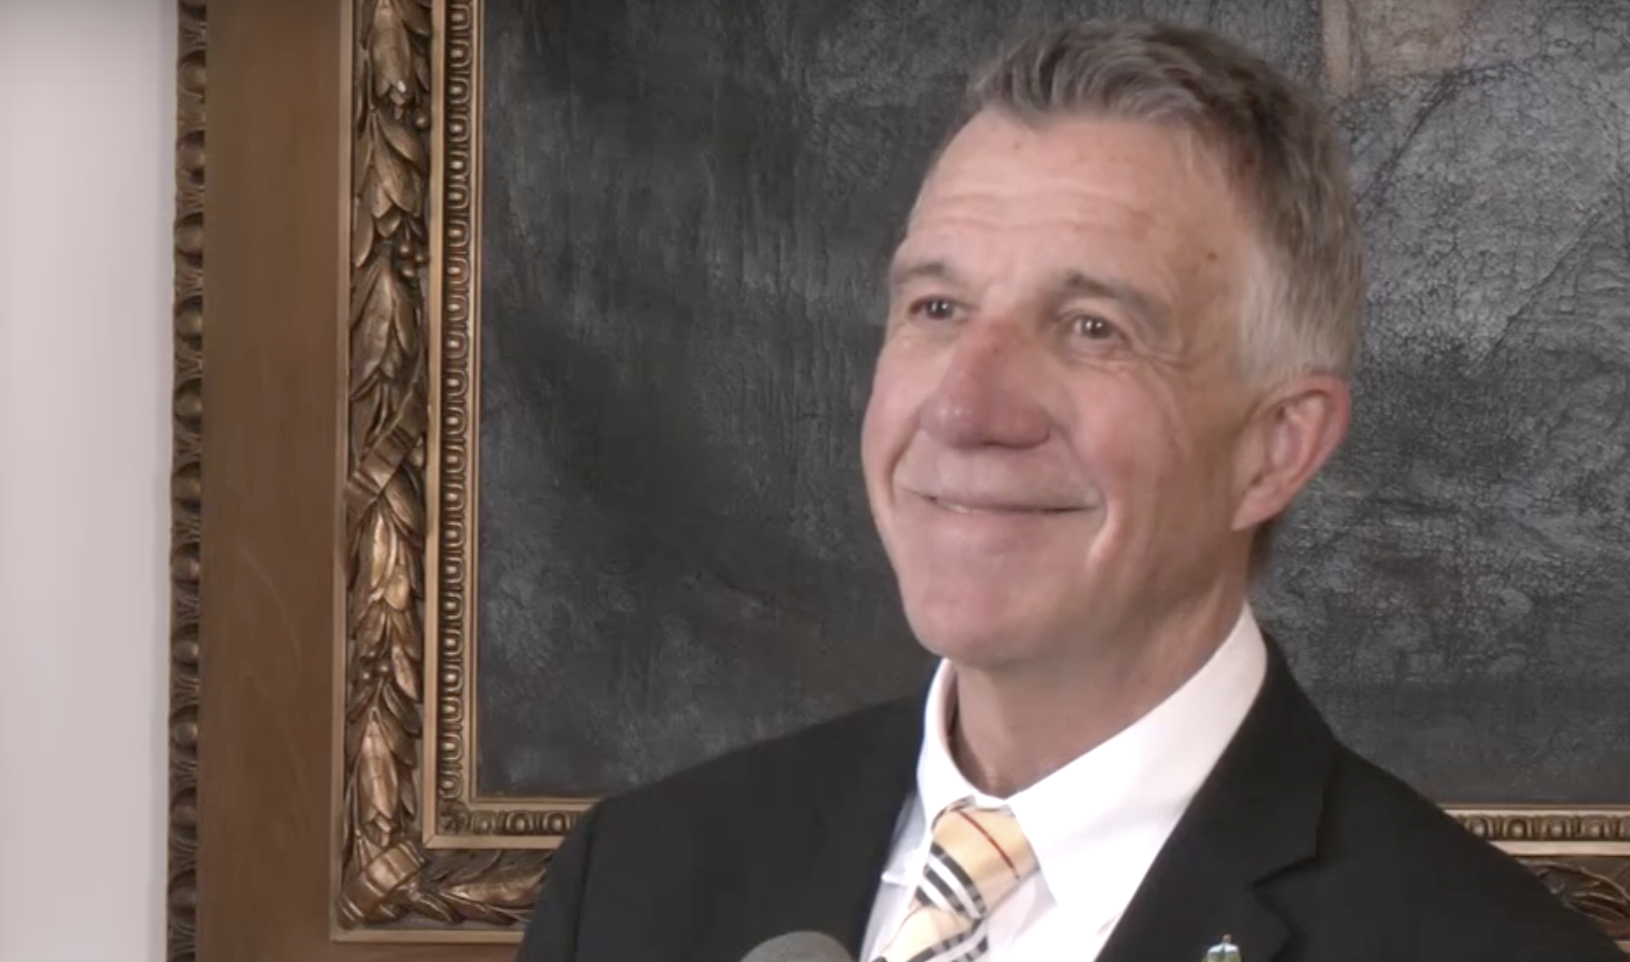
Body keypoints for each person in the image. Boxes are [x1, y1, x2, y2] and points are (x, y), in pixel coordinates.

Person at [515, 20, 1624, 962]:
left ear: (1274, 449)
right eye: (937, 308)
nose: (965, 408)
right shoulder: (635, 887)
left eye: (1093, 327)